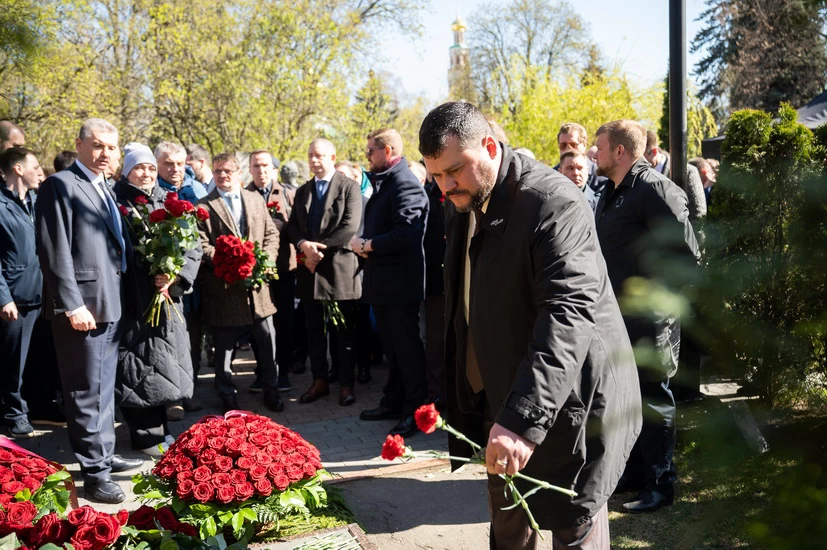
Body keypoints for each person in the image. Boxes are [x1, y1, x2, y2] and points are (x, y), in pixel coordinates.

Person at [420, 102, 641, 549]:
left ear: (489, 146)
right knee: (508, 527)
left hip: (569, 402)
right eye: (436, 175)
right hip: (500, 398)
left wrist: (521, 420)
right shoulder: (463, 199)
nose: (446, 186)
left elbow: (567, 314)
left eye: (455, 170)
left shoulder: (552, 202)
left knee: (572, 525)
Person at [593, 119, 700, 513]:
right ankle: (636, 474)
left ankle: (661, 485)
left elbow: (686, 252)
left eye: (600, 146)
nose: (594, 153)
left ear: (620, 150)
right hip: (618, 318)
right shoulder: (611, 191)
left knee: (654, 400)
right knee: (628, 399)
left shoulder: (654, 188)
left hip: (651, 318)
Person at [36, 118, 143, 503]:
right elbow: (53, 250)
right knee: (85, 391)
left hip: (110, 302)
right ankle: (95, 474)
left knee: (102, 389)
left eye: (111, 147)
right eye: (97, 145)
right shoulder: (61, 185)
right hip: (83, 308)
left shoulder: (104, 186)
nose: (105, 153)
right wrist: (72, 303)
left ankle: (103, 454)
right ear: (79, 145)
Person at [113, 143, 202, 455]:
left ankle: (160, 429)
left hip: (167, 299)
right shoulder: (116, 202)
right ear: (126, 171)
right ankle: (145, 436)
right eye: (139, 168)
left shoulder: (167, 200)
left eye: (151, 168)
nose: (146, 173)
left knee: (163, 364)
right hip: (135, 300)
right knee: (138, 364)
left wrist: (175, 276)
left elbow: (192, 247)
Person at [354, 128, 429, 438]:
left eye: (370, 151)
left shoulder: (404, 183)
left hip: (399, 286)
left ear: (387, 151)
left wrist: (368, 245)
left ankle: (416, 412)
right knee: (393, 351)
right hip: (384, 285)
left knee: (407, 352)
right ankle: (393, 402)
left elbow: (406, 233)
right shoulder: (387, 181)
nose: (367, 156)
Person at [196, 153, 283, 413]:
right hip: (224, 288)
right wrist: (229, 262)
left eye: (227, 171)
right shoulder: (204, 206)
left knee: (267, 343)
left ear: (238, 172)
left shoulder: (255, 199)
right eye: (217, 171)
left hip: (258, 289)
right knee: (224, 348)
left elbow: (271, 234)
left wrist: (265, 259)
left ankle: (271, 389)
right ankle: (227, 395)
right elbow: (201, 244)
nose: (222, 175)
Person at [287, 139, 362, 407]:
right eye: (310, 156)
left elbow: (349, 226)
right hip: (310, 272)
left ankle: (346, 384)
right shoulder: (303, 191)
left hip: (338, 269)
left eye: (319, 155)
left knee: (343, 331)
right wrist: (303, 245)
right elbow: (292, 226)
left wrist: (318, 251)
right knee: (314, 330)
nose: (314, 160)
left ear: (332, 157)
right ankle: (319, 381)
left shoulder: (348, 186)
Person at [0, 147, 42, 438]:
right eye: (35, 166)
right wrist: (3, 297)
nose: (39, 172)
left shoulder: (37, 201)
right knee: (12, 362)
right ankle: (15, 414)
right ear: (18, 169)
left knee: (36, 360)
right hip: (15, 298)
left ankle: (38, 407)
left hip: (41, 294)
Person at [247, 149, 297, 393]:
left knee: (284, 321)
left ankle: (283, 370)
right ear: (250, 169)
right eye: (256, 166)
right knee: (258, 323)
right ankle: (263, 370)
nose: (261, 170)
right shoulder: (244, 195)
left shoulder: (288, 193)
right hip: (256, 271)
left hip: (284, 269)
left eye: (265, 165)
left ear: (274, 169)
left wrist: (283, 226)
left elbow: (300, 227)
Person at [553, 122, 608, 201]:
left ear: (584, 145)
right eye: (563, 145)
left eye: (573, 144)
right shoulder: (552, 176)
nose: (568, 149)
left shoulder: (602, 177)